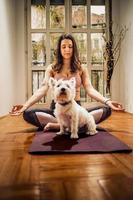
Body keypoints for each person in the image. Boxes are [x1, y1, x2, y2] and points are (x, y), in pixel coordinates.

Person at [10, 34, 124, 132]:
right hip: (57, 109)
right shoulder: (52, 68)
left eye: (70, 46)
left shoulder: (81, 68)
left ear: (74, 49)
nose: (67, 49)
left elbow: (90, 89)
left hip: (76, 108)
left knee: (107, 110)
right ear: (59, 49)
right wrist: (25, 106)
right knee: (28, 113)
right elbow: (42, 89)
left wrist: (108, 101)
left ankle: (63, 126)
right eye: (63, 47)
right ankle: (71, 126)